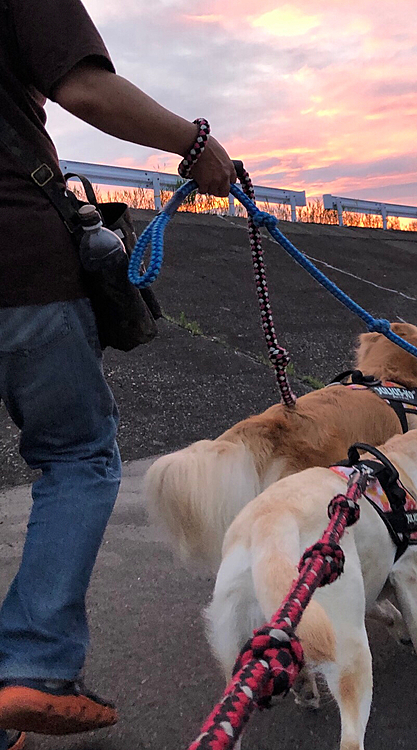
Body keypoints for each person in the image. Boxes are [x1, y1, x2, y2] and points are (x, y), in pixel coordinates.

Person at [0, 1, 236, 747]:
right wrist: (196, 144)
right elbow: (87, 89)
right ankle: (33, 665)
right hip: (18, 266)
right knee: (77, 456)